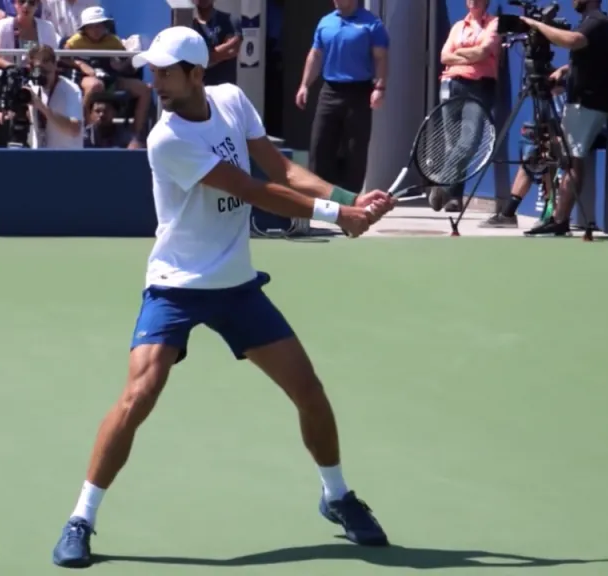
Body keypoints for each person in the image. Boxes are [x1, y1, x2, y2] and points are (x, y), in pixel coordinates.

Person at [49, 26, 397, 569]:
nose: (156, 81)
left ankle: (338, 498)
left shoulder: (232, 101)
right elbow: (254, 190)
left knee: (309, 390)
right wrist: (339, 218)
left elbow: (282, 169)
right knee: (139, 396)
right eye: (154, 71)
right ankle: (81, 518)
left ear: (196, 72)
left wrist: (353, 198)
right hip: (176, 286)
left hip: (235, 285)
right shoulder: (168, 139)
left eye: (166, 71)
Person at [481, 0, 608, 234]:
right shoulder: (591, 22)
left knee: (572, 159)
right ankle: (553, 215)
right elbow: (587, 58)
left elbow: (573, 41)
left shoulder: (597, 21)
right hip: (580, 102)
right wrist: (564, 72)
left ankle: (559, 219)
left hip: (586, 104)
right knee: (558, 152)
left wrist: (536, 25)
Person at [296, 0, 389, 195]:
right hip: (330, 90)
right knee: (320, 145)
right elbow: (315, 55)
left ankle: (350, 201)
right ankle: (322, 197)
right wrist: (305, 85)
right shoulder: (325, 22)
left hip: (359, 91)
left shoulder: (371, 24)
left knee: (354, 150)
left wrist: (379, 87)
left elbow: (380, 57)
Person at [431, 0, 499, 213]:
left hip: (479, 88)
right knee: (453, 144)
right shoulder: (458, 26)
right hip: (451, 85)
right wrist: (472, 54)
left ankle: (442, 182)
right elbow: (444, 56)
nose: (473, 1)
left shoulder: (494, 24)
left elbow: (484, 51)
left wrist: (459, 56)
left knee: (469, 142)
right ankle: (454, 198)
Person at [63, 6, 150, 149]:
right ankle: (85, 130)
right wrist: (79, 64)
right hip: (85, 78)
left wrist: (120, 65)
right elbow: (64, 58)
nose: (97, 29)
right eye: (92, 26)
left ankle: (134, 134)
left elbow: (124, 62)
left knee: (145, 89)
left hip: (110, 78)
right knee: (95, 86)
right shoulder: (75, 41)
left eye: (100, 25)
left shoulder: (113, 41)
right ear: (85, 28)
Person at [24, 44, 84, 149]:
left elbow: (74, 130)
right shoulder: (31, 86)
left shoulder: (71, 89)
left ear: (55, 64)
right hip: (40, 155)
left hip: (66, 156)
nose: (40, 64)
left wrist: (43, 107)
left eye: (46, 60)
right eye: (36, 62)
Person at [190, 0, 241, 87]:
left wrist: (203, 58)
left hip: (225, 92)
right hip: (199, 94)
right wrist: (222, 50)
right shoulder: (189, 27)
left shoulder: (230, 21)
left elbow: (232, 50)